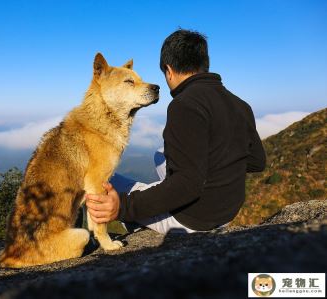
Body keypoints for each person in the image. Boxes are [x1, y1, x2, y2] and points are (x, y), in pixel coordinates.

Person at [85, 29, 266, 234]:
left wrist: (123, 207)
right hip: (227, 211)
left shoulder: (185, 105)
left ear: (169, 70)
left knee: (109, 180)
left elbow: (187, 185)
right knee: (159, 155)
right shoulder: (240, 104)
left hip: (194, 220)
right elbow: (257, 161)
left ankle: (122, 227)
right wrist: (220, 166)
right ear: (204, 64)